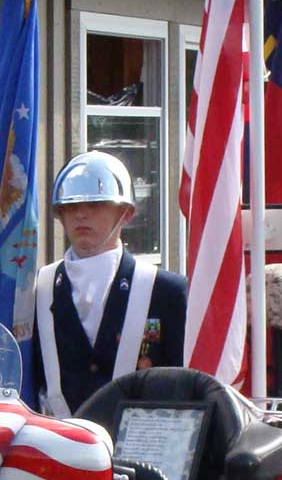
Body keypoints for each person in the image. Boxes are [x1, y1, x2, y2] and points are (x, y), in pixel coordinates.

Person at [32, 151, 186, 415]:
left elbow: (184, 387)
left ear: (126, 213)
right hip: (60, 447)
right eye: (70, 207)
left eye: (96, 204)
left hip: (141, 448)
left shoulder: (167, 292)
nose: (81, 215)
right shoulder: (39, 290)